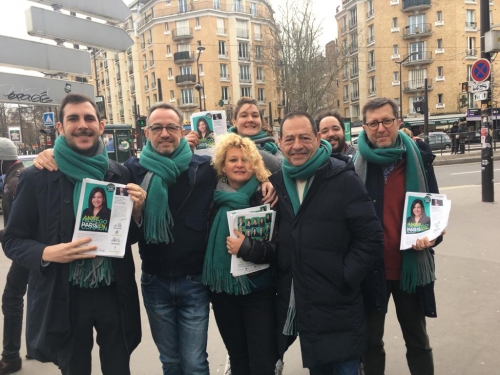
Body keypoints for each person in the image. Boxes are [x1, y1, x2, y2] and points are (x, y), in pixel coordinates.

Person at [2, 93, 145, 375]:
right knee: (74, 368)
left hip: (113, 293)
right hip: (65, 295)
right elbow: (12, 240)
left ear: (101, 126)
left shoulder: (118, 173)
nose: (83, 125)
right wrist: (46, 252)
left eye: (89, 118)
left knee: (119, 368)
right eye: (73, 119)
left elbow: (125, 239)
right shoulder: (37, 177)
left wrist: (138, 213)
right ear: (60, 128)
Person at [270, 111, 384, 373]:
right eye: (289, 139)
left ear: (318, 137)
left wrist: (344, 276)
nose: (296, 145)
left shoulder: (342, 177)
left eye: (304, 137)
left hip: (340, 305)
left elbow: (370, 237)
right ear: (279, 142)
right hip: (306, 307)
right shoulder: (278, 185)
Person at [353, 97, 443, 375]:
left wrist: (433, 238)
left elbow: (435, 214)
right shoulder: (353, 168)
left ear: (398, 122)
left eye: (386, 121)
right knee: (370, 344)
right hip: (371, 270)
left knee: (417, 341)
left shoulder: (419, 160)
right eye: (373, 123)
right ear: (364, 127)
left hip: (409, 269)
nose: (380, 128)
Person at [202, 133, 279, 374]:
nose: (240, 165)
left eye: (246, 160)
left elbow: (280, 246)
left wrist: (247, 248)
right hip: (223, 293)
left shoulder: (266, 196)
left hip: (259, 291)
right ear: (222, 166)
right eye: (233, 160)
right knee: (238, 358)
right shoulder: (211, 198)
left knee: (263, 361)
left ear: (254, 164)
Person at [0, 138, 29, 375]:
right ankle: (38, 345)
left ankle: (10, 357)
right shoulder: (18, 176)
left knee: (11, 298)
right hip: (30, 248)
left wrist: (7, 235)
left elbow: (25, 221)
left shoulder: (16, 180)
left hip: (27, 250)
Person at [228, 97, 283, 172]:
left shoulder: (272, 146)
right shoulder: (224, 148)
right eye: (244, 115)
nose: (250, 120)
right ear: (234, 122)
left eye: (255, 116)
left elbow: (284, 167)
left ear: (261, 121)